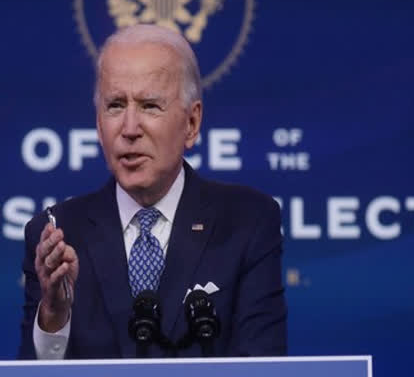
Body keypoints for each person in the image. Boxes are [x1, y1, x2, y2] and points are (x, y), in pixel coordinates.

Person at [19, 24, 286, 359]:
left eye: (149, 106)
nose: (130, 129)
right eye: (115, 106)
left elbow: (263, 376)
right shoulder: (57, 235)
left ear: (191, 123)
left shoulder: (247, 223)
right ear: (99, 125)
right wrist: (55, 316)